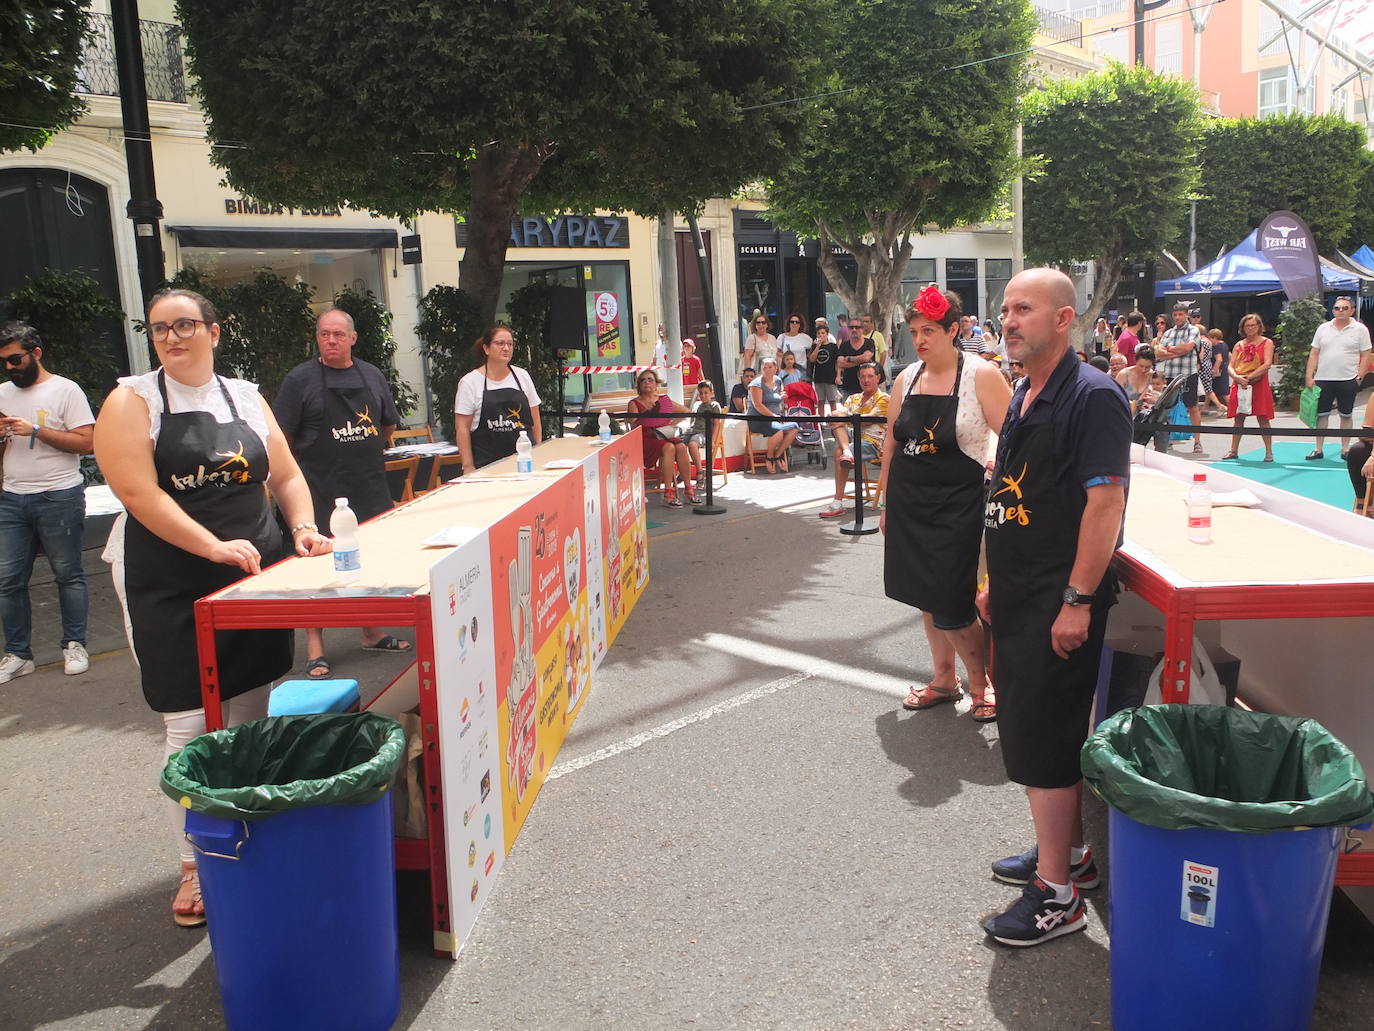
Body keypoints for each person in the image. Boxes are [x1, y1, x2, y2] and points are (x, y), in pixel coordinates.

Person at [94, 288, 331, 927]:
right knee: (191, 724)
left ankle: (246, 837)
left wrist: (303, 527)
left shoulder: (246, 398)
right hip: (169, 582)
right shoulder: (130, 402)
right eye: (160, 329)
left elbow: (284, 476)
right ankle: (197, 864)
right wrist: (211, 546)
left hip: (248, 577)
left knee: (250, 706)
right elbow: (140, 495)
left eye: (185, 325)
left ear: (214, 331)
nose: (172, 338)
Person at [977, 267, 1131, 947]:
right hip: (1018, 593)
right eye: (1005, 308)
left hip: (1055, 599)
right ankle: (1066, 856)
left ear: (1064, 319)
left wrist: (1077, 600)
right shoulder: (1023, 389)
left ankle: (1058, 897)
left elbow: (1105, 504)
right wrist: (992, 578)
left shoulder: (1094, 397)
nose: (1008, 319)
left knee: (1045, 738)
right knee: (1032, 732)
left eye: (1024, 309)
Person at [877, 288, 1010, 723]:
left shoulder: (982, 375)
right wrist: (884, 503)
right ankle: (942, 679)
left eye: (929, 330)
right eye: (914, 331)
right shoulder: (906, 378)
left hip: (959, 503)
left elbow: (1013, 439)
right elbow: (892, 444)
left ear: (954, 329)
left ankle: (981, 684)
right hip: (910, 501)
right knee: (926, 596)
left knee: (953, 600)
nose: (920, 339)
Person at [274, 309, 408, 678]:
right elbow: (281, 438)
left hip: (368, 484)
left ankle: (372, 629)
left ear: (352, 338)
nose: (330, 340)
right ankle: (316, 647)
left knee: (371, 558)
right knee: (315, 568)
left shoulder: (372, 375)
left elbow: (388, 424)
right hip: (319, 488)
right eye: (323, 334)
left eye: (337, 334)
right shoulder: (299, 380)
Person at [0, 322, 95, 682]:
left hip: (59, 494)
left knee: (68, 574)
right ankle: (18, 654)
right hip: (12, 497)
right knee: (8, 580)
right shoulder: (1, 394)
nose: (10, 368)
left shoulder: (65, 391)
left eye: (15, 359)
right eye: (5, 362)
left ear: (36, 353)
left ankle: (74, 644)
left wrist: (36, 430)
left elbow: (86, 443)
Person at [455, 325, 543, 473]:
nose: (506, 348)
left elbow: (535, 418)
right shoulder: (470, 382)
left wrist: (538, 449)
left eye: (510, 344)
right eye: (500, 343)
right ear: (486, 349)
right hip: (487, 466)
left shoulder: (522, 376)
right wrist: (468, 465)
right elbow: (462, 428)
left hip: (524, 463)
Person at [1305, 296, 1371, 460]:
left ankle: (1345, 449)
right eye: (1337, 308)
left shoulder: (1360, 329)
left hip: (1348, 379)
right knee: (1321, 415)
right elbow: (1314, 353)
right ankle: (1318, 449)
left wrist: (1360, 376)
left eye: (1344, 308)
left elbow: (1366, 354)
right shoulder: (1323, 328)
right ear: (1332, 310)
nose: (1340, 311)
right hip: (1323, 378)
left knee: (1346, 415)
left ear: (1352, 310)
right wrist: (1309, 376)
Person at [820, 363, 889, 518]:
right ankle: (847, 452)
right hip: (852, 438)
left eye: (870, 376)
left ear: (878, 378)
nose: (866, 380)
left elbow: (867, 421)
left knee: (838, 450)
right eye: (862, 376)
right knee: (835, 419)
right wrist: (838, 415)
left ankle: (837, 502)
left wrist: (844, 420)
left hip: (873, 442)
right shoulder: (853, 398)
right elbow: (843, 414)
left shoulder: (884, 398)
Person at [627, 370, 698, 506]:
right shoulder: (634, 403)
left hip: (664, 433)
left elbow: (686, 411)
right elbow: (632, 421)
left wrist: (672, 424)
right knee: (669, 447)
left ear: (656, 384)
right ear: (639, 385)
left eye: (650, 379)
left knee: (682, 447)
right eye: (643, 380)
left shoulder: (663, 400)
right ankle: (668, 492)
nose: (647, 382)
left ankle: (689, 488)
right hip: (646, 436)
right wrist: (645, 412)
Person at [1221, 314, 1275, 463]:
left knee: (1263, 418)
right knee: (1238, 419)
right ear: (1243, 328)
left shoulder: (1267, 342)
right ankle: (1233, 450)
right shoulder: (1238, 345)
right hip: (1240, 384)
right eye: (1247, 325)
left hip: (1258, 383)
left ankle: (1269, 452)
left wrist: (1249, 377)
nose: (1250, 328)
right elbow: (1230, 366)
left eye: (1253, 325)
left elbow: (1267, 364)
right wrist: (1237, 378)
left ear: (1259, 326)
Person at [1155, 301, 1203, 454]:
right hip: (1170, 375)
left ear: (1186, 315)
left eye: (1181, 314)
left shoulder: (1193, 330)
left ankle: (1197, 441)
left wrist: (1170, 350)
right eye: (1175, 315)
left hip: (1188, 374)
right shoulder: (1169, 333)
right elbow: (1159, 352)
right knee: (1168, 407)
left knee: (1193, 407)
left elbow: (1189, 347)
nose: (1178, 317)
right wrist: (1178, 351)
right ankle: (1169, 438)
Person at [748, 357, 799, 474]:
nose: (767, 370)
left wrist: (782, 396)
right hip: (758, 418)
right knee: (778, 431)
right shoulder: (756, 384)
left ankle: (778, 455)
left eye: (770, 367)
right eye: (764, 367)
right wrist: (773, 416)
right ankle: (769, 457)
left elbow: (778, 395)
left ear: (776, 368)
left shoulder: (778, 380)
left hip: (775, 418)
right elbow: (758, 405)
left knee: (794, 427)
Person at [688, 381, 722, 493]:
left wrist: (712, 440)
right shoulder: (698, 405)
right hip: (693, 431)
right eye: (701, 393)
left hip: (703, 434)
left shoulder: (714, 406)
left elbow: (717, 423)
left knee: (693, 444)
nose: (703, 395)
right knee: (677, 444)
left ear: (711, 393)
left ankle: (700, 472)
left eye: (706, 393)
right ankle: (682, 472)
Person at [837, 317, 875, 397]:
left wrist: (849, 359)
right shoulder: (844, 346)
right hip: (848, 388)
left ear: (862, 329)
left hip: (867, 387)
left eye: (857, 327)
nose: (854, 329)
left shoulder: (869, 343)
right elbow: (840, 363)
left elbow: (866, 358)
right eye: (851, 327)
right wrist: (861, 360)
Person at [808, 322, 840, 415]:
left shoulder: (833, 346)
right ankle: (821, 422)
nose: (821, 335)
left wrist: (838, 376)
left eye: (823, 333)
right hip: (819, 377)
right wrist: (818, 346)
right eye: (819, 333)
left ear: (827, 334)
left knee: (832, 401)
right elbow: (812, 359)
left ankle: (834, 421)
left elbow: (837, 362)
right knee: (820, 401)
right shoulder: (815, 346)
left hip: (830, 377)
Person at [1115, 344, 1156, 413]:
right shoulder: (1124, 374)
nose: (1143, 370)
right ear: (1136, 361)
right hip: (1124, 412)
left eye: (1147, 367)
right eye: (1141, 366)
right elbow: (1115, 397)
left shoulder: (1153, 376)